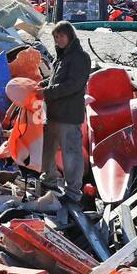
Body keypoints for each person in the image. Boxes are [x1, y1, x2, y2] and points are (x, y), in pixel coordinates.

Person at [38, 21, 91, 203]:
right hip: (53, 114)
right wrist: (41, 85)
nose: (58, 40)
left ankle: (73, 192)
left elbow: (73, 85)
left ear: (70, 36)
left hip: (68, 116)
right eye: (55, 37)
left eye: (61, 36)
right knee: (47, 150)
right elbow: (55, 81)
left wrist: (46, 92)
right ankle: (49, 180)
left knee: (71, 154)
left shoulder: (80, 57)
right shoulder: (60, 58)